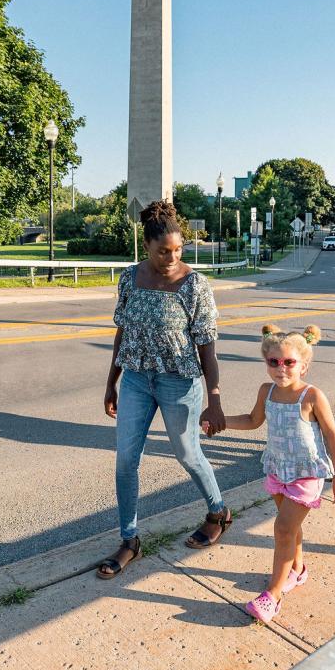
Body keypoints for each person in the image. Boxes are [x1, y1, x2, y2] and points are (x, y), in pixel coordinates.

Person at [95, 200, 231, 580]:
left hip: (180, 383)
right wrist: (112, 381)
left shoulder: (195, 286)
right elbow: (123, 331)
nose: (171, 257)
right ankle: (130, 540)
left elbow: (207, 346)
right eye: (162, 251)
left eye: (177, 249)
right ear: (147, 246)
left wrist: (214, 399)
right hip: (137, 379)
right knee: (125, 460)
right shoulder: (129, 278)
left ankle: (218, 512)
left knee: (188, 454)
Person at [220, 324, 335, 624]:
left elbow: (331, 434)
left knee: (283, 529)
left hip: (306, 473)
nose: (281, 368)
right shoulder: (267, 391)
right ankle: (298, 570)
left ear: (304, 363)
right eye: (273, 362)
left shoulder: (312, 395)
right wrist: (219, 421)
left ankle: (273, 596)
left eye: (289, 362)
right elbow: (252, 420)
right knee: (292, 529)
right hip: (278, 468)